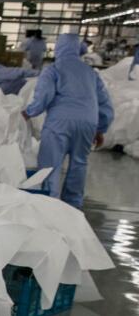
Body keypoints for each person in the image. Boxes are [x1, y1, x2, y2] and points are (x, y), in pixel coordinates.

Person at [23, 33, 113, 208]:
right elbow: (104, 102)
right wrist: (101, 128)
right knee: (79, 163)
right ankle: (73, 205)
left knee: (51, 164)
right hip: (88, 122)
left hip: (60, 122)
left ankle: (50, 203)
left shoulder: (54, 69)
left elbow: (44, 96)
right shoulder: (90, 72)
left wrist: (29, 112)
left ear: (58, 48)